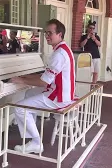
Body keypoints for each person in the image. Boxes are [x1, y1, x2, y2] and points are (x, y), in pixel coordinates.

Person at [9, 19, 75, 154]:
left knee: (20, 108)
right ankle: (31, 131)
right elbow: (45, 76)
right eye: (46, 33)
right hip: (59, 91)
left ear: (60, 34)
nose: (47, 36)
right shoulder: (62, 49)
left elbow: (44, 82)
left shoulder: (59, 54)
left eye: (50, 33)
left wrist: (21, 80)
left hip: (59, 97)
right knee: (28, 95)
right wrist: (24, 77)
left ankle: (36, 142)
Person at [80, 20, 101, 84]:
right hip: (87, 57)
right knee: (89, 72)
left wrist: (94, 39)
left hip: (96, 56)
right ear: (87, 28)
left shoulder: (96, 36)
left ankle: (93, 85)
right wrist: (87, 38)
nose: (92, 29)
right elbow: (81, 45)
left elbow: (99, 44)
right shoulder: (84, 36)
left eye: (93, 28)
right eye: (90, 28)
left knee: (96, 72)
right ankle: (87, 85)